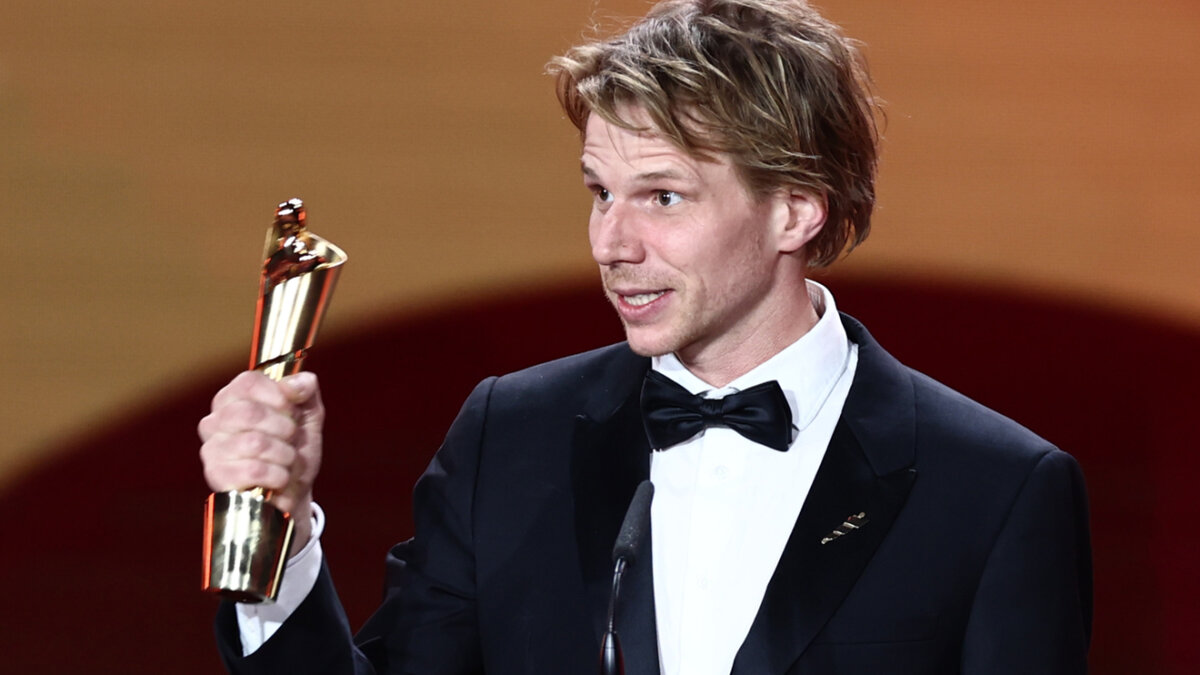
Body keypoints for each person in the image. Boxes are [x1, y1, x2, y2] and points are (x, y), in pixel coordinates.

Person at [198, 1, 1092, 673]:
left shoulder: (996, 490)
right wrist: (279, 534)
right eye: (600, 192)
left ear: (794, 209)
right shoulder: (511, 436)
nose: (611, 243)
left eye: (662, 196)